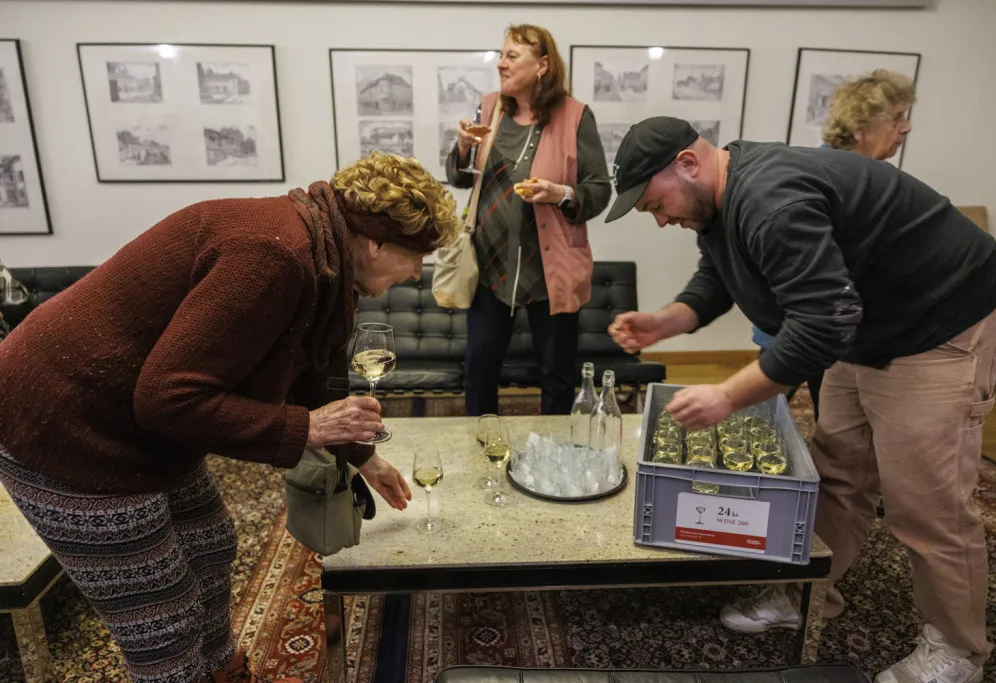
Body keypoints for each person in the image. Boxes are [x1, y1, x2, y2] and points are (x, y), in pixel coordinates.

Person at [0, 152, 461, 683]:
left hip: (141, 421)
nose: (417, 273)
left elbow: (315, 368)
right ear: (376, 242)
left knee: (211, 543)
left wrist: (363, 456)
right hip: (67, 425)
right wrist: (307, 428)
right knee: (163, 621)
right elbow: (166, 398)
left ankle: (220, 669)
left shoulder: (324, 255)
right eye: (416, 257)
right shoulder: (275, 255)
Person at [605, 117, 996, 683]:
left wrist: (727, 395)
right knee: (837, 474)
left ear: (688, 164)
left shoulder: (770, 200)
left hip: (939, 322)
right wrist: (665, 321)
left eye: (655, 204)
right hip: (864, 325)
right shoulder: (719, 201)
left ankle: (959, 651)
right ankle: (806, 592)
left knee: (927, 504)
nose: (660, 219)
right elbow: (718, 276)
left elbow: (821, 324)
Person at [446, 24, 611, 416]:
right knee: (479, 371)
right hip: (489, 267)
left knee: (556, 375)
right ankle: (481, 443)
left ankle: (554, 450)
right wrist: (464, 148)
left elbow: (600, 190)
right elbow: (460, 177)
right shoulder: (489, 107)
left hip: (551, 271)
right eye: (500, 55)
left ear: (542, 65)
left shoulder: (576, 116)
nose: (501, 64)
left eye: (512, 56)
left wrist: (561, 193)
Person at [751, 68, 918, 420]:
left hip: (834, 331)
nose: (906, 127)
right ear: (860, 126)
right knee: (767, 418)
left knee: (814, 419)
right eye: (896, 118)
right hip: (808, 329)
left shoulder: (863, 174)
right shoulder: (825, 177)